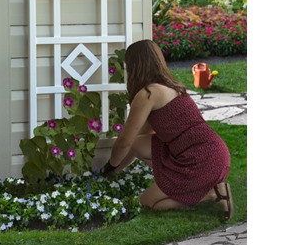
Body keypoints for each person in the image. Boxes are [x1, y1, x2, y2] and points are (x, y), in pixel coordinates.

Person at [100, 39, 234, 220]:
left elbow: (124, 141)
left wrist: (110, 166)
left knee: (149, 202)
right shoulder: (169, 86)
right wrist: (115, 173)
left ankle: (213, 194)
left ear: (134, 66)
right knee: (137, 144)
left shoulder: (148, 93)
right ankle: (201, 187)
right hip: (213, 154)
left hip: (200, 161)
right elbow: (139, 138)